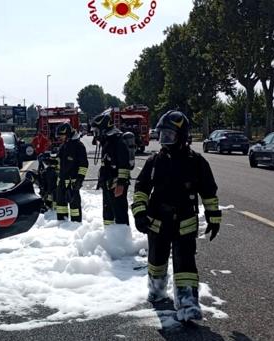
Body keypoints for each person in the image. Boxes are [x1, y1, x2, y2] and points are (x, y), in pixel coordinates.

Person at [131, 111, 221, 322]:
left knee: (185, 264)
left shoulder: (197, 162)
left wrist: (214, 217)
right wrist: (139, 213)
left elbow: (209, 192)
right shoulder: (154, 161)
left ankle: (188, 303)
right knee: (156, 260)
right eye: (162, 135)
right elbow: (141, 188)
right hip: (157, 222)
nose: (165, 141)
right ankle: (157, 290)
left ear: (182, 136)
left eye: (170, 136)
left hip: (185, 222)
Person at [92, 112, 131, 226]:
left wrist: (121, 184)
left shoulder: (118, 140)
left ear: (103, 129)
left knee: (120, 213)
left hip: (117, 184)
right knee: (108, 213)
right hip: (107, 183)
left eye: (96, 131)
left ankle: (122, 238)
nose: (95, 134)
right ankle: (110, 236)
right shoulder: (107, 141)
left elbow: (124, 165)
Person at [55, 122, 88, 222]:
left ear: (68, 134)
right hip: (62, 181)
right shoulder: (64, 146)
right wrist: (49, 161)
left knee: (75, 208)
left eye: (62, 135)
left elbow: (84, 165)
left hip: (73, 182)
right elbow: (59, 161)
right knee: (60, 206)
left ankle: (76, 225)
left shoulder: (79, 146)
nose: (60, 138)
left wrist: (79, 180)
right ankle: (61, 224)